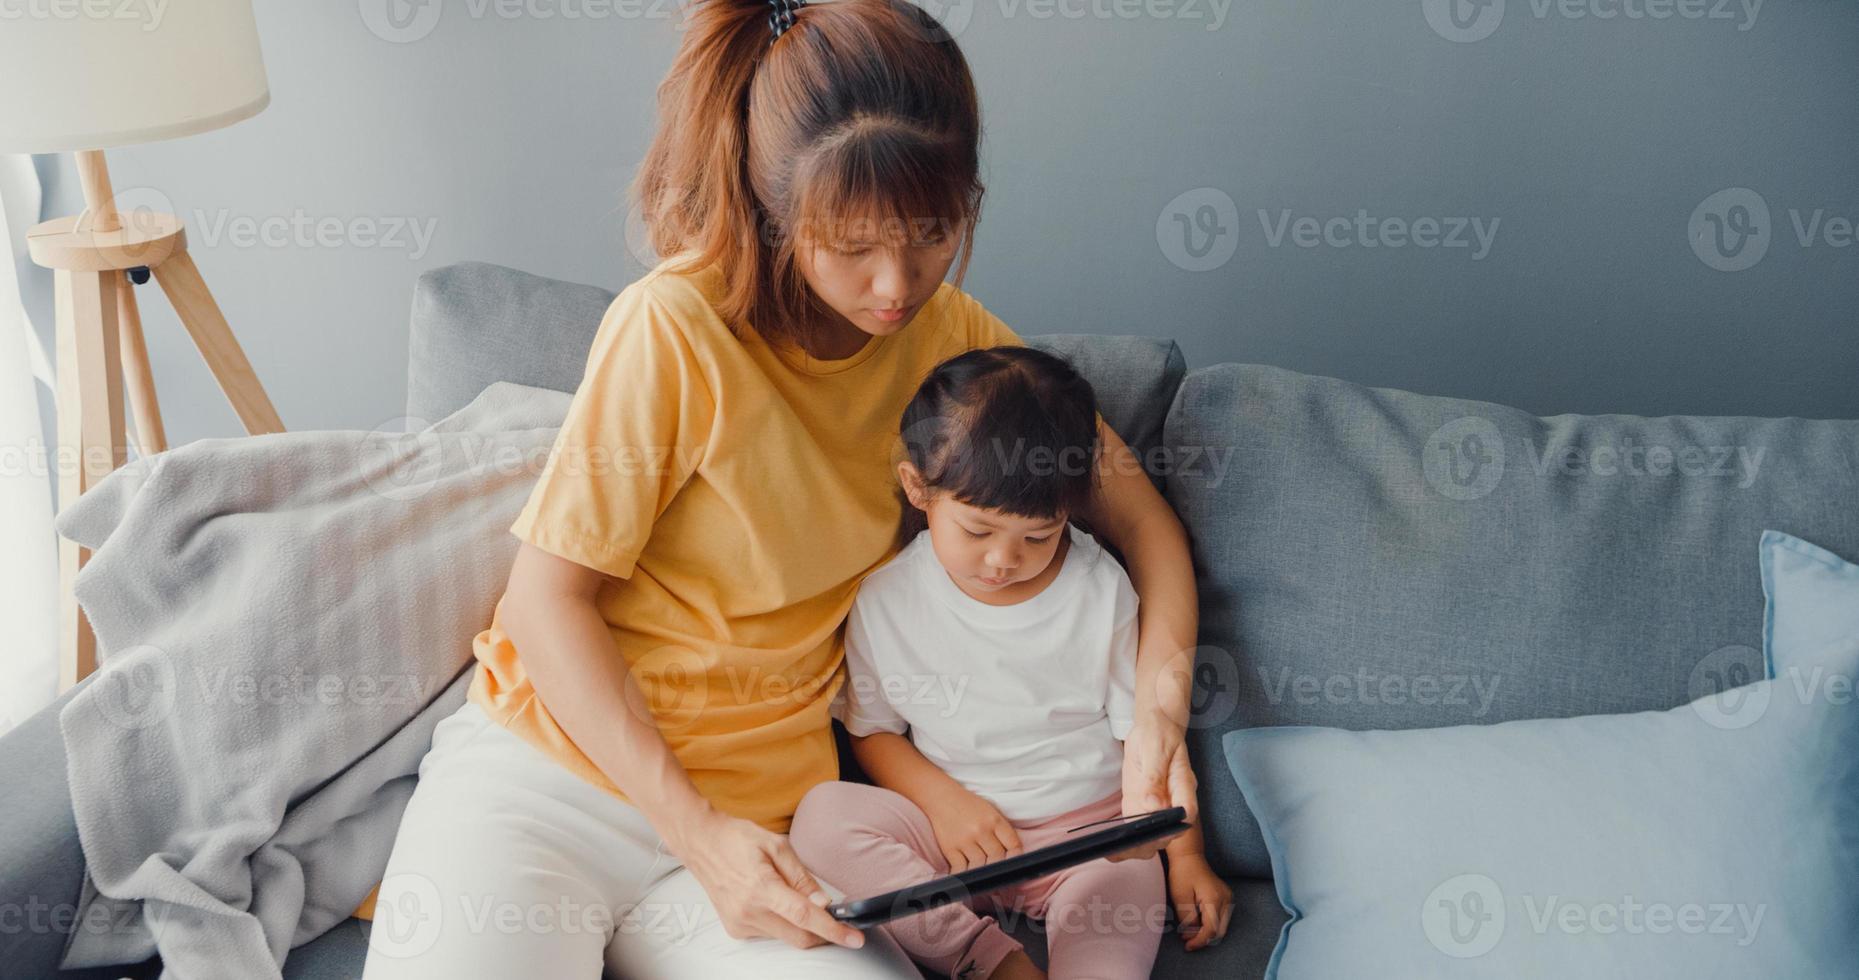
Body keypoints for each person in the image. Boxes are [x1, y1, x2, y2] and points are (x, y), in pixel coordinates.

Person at [363, 0, 1202, 976]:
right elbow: (544, 601)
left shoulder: (955, 339)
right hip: (553, 786)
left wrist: (1154, 728)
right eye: (850, 246)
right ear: (777, 216)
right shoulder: (674, 329)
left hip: (767, 833)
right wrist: (696, 831)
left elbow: (1143, 525)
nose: (896, 285)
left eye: (930, 234)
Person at [789, 346, 1232, 980]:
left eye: (1037, 536)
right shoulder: (885, 600)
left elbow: (1151, 744)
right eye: (977, 532)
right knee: (824, 819)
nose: (1003, 561)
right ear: (919, 489)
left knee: (1119, 904)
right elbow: (873, 731)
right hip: (951, 837)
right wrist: (944, 804)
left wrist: (1187, 857)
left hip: (1089, 842)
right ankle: (983, 958)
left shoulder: (1098, 591)